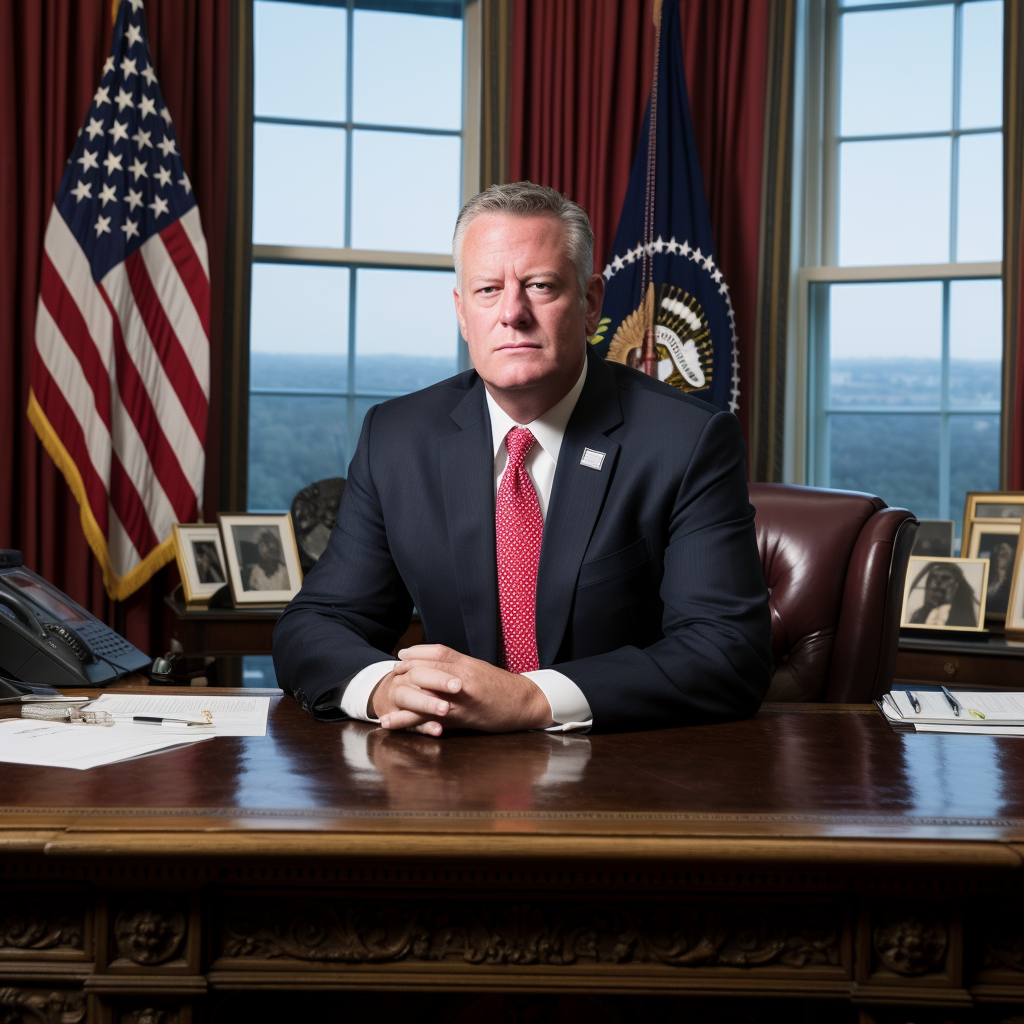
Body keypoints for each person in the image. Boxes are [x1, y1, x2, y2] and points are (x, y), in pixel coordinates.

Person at [273, 183, 772, 734]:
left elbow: (727, 651)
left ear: (589, 303)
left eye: (540, 286)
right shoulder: (396, 438)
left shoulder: (687, 441)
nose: (512, 313)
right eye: (488, 290)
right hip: (446, 767)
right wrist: (383, 687)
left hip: (624, 773)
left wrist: (532, 699)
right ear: (462, 312)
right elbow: (316, 624)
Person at [908, 562, 979, 627]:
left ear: (956, 586)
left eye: (945, 578)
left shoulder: (966, 616)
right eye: (933, 578)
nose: (935, 583)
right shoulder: (918, 615)